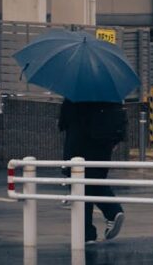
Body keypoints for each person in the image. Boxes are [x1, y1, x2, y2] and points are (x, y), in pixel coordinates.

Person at [58, 99, 127, 244]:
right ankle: (112, 212)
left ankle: (88, 233)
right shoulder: (110, 96)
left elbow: (64, 121)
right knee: (95, 181)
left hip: (79, 146)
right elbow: (119, 121)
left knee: (80, 188)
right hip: (103, 147)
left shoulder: (75, 97)